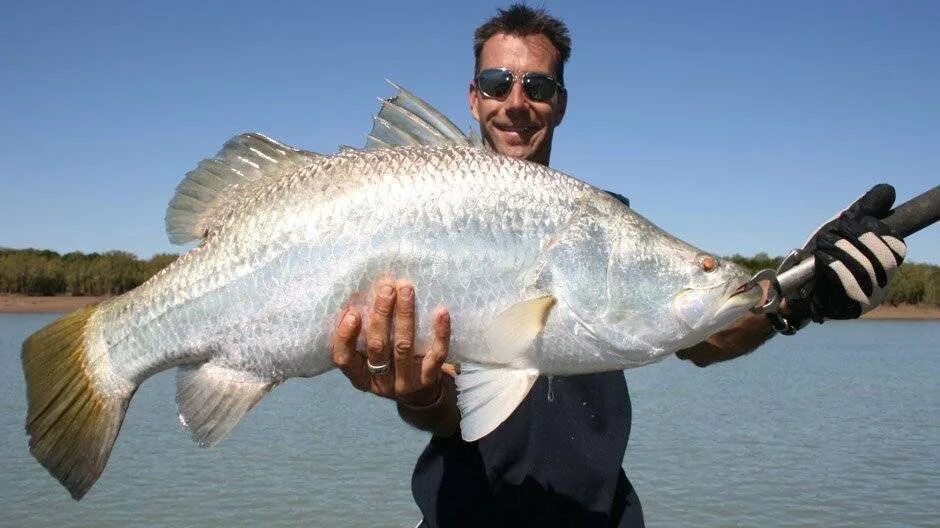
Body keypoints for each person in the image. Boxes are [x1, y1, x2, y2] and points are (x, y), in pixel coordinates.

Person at [330, 5, 907, 527]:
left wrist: (794, 297)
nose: (516, 101)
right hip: (462, 513)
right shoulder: (415, 218)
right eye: (496, 82)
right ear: (473, 97)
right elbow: (452, 413)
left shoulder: (606, 224)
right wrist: (420, 395)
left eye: (537, 84)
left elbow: (702, 336)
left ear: (560, 100)